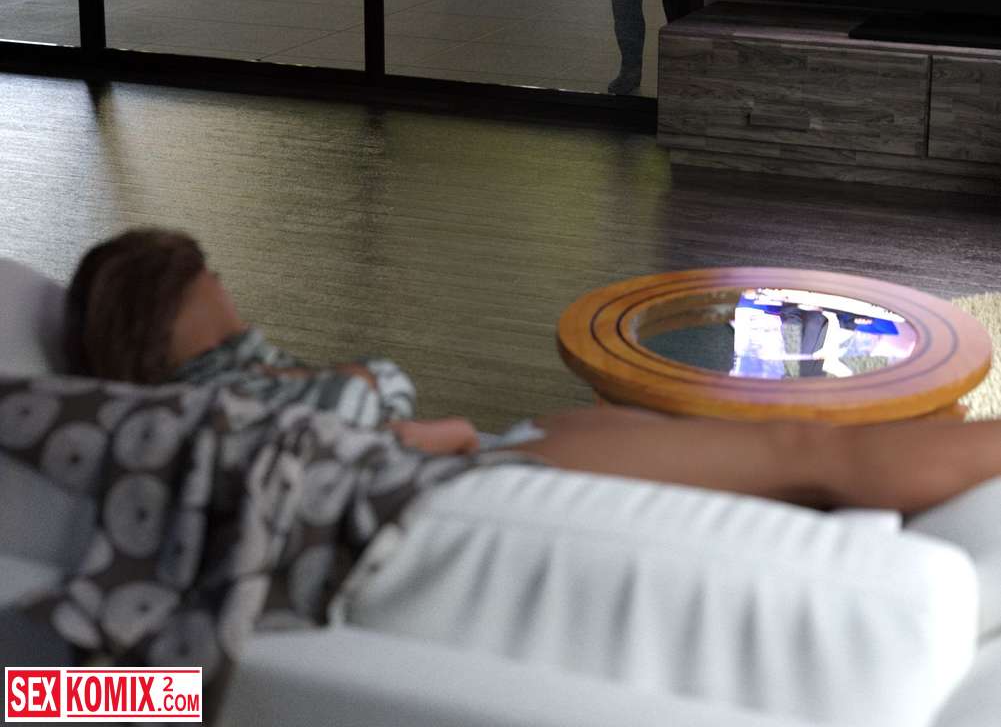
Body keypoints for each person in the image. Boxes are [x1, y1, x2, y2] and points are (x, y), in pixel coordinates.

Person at [61, 227, 1001, 517]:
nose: (220, 281)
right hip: (485, 480)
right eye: (204, 276)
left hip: (486, 461)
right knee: (806, 451)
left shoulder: (199, 409)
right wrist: (429, 430)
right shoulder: (215, 405)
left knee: (788, 460)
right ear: (170, 310)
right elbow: (370, 397)